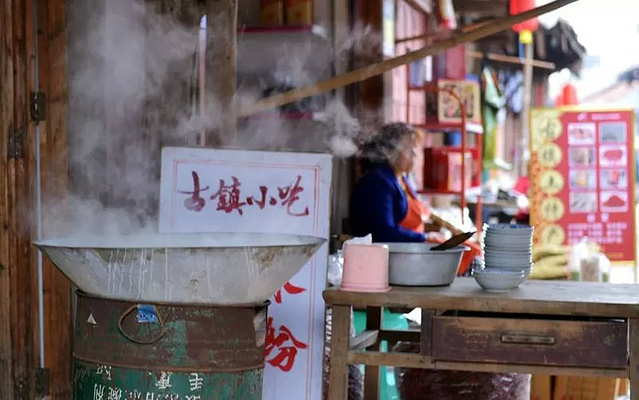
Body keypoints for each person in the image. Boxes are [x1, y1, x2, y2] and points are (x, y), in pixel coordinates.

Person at [349, 122, 480, 274]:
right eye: (409, 149)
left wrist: (446, 230)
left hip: (407, 252)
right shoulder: (378, 183)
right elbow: (383, 233)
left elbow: (423, 212)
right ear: (391, 152)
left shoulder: (400, 177)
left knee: (472, 249)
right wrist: (424, 237)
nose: (415, 155)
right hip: (387, 261)